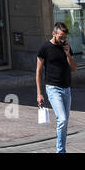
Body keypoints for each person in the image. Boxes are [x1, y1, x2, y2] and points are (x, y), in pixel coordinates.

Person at [35, 22, 78, 153]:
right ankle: (60, 151)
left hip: (67, 89)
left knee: (64, 123)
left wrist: (68, 54)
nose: (63, 40)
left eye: (65, 37)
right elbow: (38, 71)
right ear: (54, 33)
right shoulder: (45, 48)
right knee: (62, 119)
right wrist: (39, 93)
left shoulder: (66, 47)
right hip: (53, 88)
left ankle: (62, 149)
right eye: (61, 37)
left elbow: (74, 68)